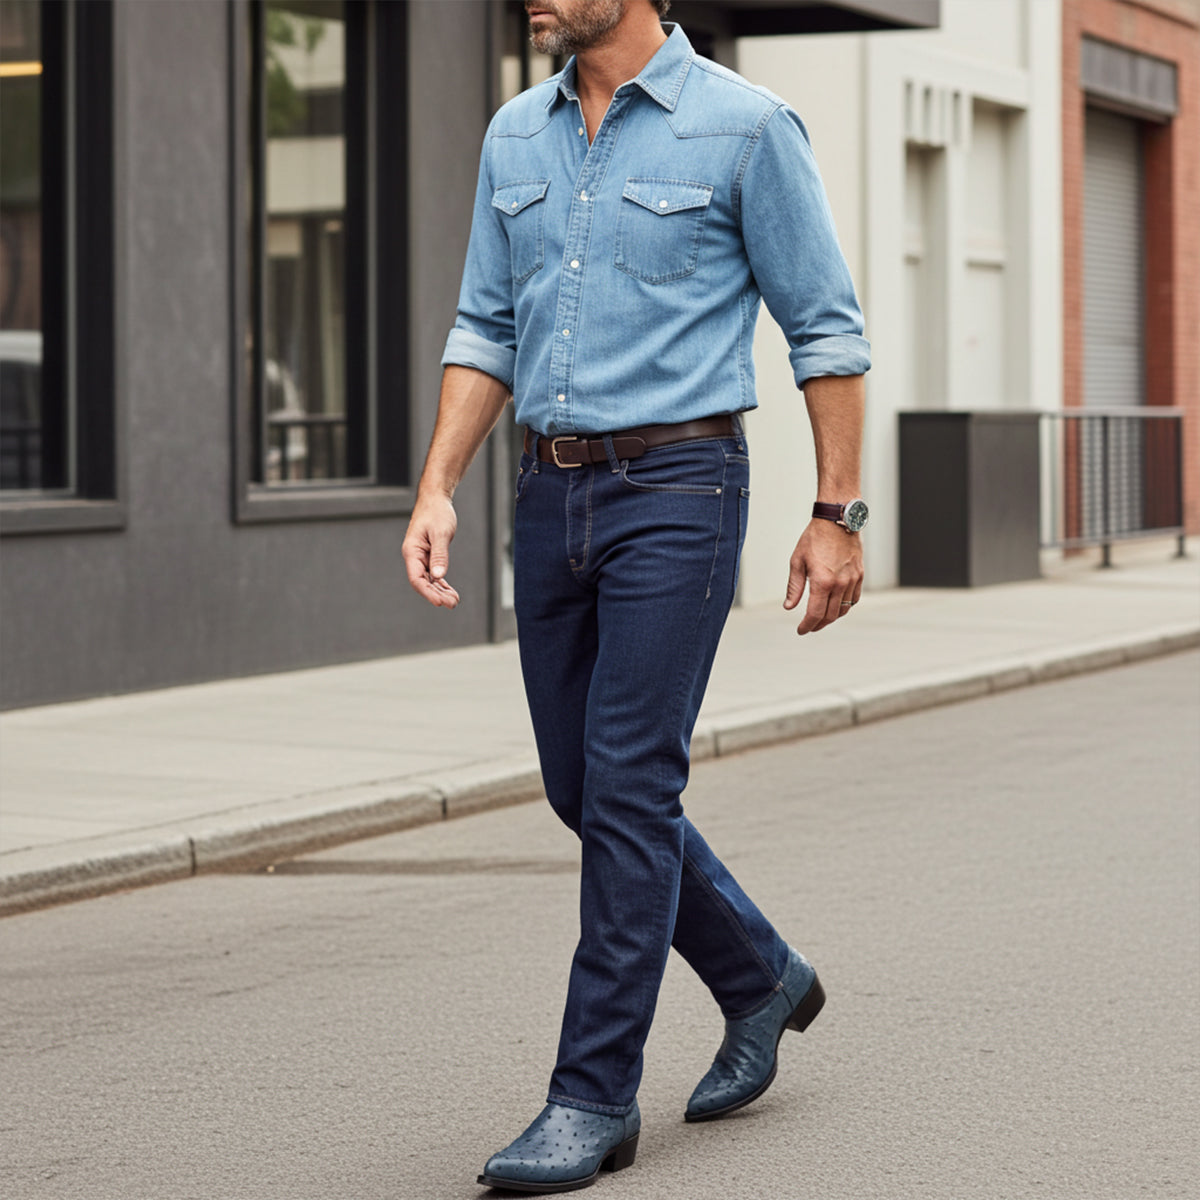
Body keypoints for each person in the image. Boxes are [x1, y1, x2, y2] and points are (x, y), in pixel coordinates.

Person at [401, 0, 870, 1191]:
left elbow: (824, 328)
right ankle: (762, 976)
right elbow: (484, 325)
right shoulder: (516, 132)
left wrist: (837, 514)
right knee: (582, 784)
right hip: (547, 493)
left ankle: (592, 1095)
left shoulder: (747, 128)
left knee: (628, 784)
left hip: (680, 487)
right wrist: (438, 485)